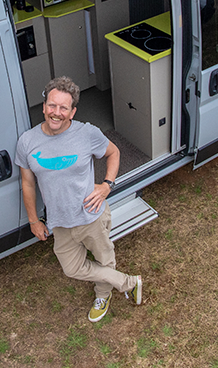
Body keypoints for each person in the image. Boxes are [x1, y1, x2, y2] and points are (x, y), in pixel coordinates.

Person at [15, 76, 143, 323]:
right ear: (44, 107)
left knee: (105, 260)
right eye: (52, 105)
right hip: (60, 222)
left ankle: (102, 296)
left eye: (63, 108)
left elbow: (114, 152)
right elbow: (27, 183)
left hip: (91, 215)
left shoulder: (87, 133)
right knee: (71, 268)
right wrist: (33, 220)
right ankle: (127, 282)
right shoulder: (27, 142)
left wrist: (107, 185)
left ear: (72, 112)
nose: (56, 112)